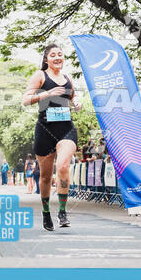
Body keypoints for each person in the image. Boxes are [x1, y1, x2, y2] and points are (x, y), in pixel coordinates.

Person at [23, 43, 81, 231]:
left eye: (60, 54)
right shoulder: (40, 76)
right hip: (45, 129)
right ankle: (46, 211)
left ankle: (62, 211)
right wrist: (47, 93)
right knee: (46, 177)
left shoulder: (67, 78)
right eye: (53, 55)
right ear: (46, 59)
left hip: (66, 129)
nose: (57, 57)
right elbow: (25, 100)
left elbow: (73, 97)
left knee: (63, 165)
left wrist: (77, 103)